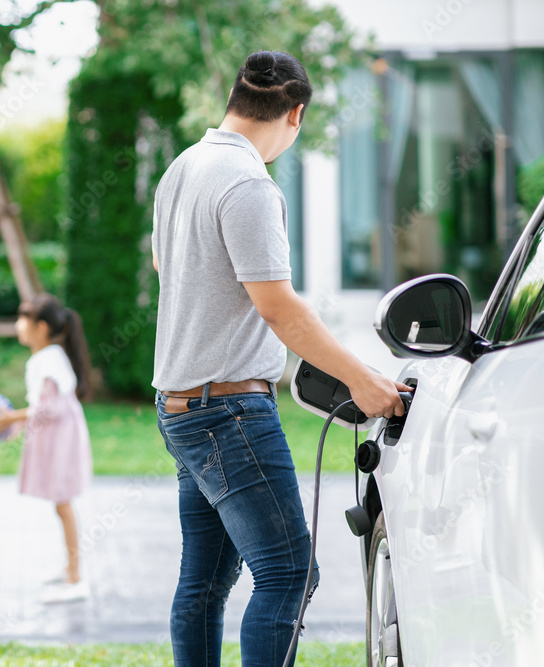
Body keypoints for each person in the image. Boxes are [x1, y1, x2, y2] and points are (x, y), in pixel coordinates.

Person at [151, 51, 412, 665]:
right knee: (289, 573)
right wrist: (359, 379)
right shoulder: (247, 183)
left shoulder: (182, 169)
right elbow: (278, 308)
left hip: (182, 408)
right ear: (294, 114)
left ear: (236, 101)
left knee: (206, 583)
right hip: (230, 414)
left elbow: (169, 268)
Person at [0, 293, 93, 603]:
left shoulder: (48, 360)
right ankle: (70, 568)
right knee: (61, 505)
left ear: (42, 327)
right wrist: (16, 424)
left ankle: (76, 577)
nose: (18, 325)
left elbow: (49, 409)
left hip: (62, 440)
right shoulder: (48, 357)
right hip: (59, 436)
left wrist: (10, 418)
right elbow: (42, 407)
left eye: (24, 319)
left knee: (63, 504)